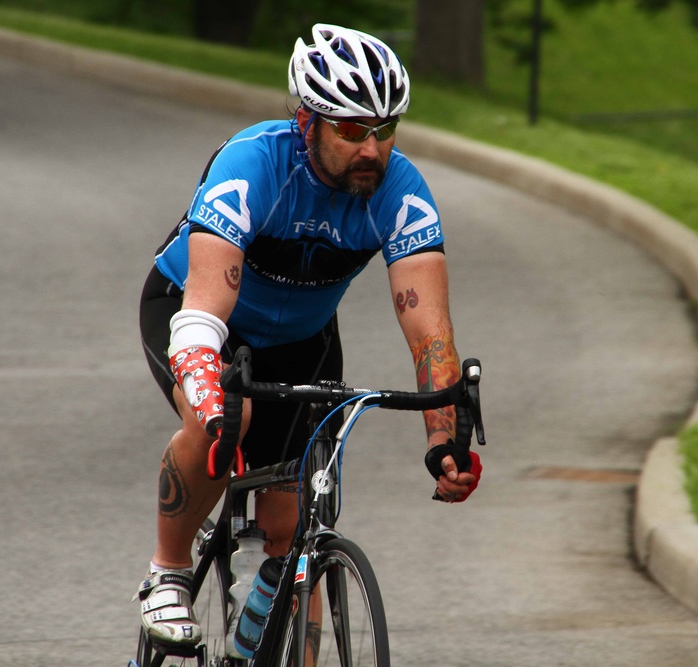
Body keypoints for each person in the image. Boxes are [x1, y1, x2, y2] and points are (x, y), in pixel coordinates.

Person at [135, 23, 482, 649]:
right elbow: (208, 304)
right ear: (307, 122)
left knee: (294, 524)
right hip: (197, 314)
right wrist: (208, 391)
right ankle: (168, 571)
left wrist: (443, 438)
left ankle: (268, 610)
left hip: (303, 338)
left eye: (384, 128)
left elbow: (430, 334)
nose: (371, 149)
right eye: (351, 130)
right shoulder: (253, 163)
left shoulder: (400, 193)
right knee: (224, 429)